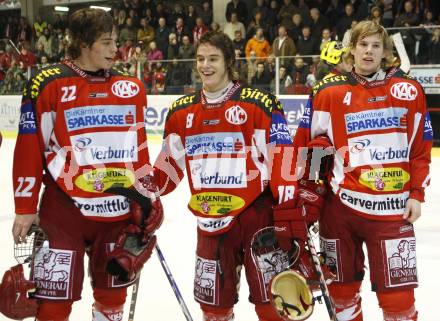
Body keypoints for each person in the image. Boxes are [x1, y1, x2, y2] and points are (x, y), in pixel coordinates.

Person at [10, 8, 163, 321]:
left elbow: (138, 150)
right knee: (52, 304)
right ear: (82, 42)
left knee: (112, 298)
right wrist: (25, 207)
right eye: (106, 42)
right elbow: (29, 145)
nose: (114, 49)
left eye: (115, 42)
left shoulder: (131, 89)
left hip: (118, 211)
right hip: (64, 210)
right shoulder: (47, 84)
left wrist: (148, 195)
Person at [153, 31, 303, 321]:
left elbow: (283, 160)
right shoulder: (181, 112)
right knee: (214, 309)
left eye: (213, 59)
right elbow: (168, 168)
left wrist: (289, 209)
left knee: (272, 303)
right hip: (209, 220)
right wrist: (141, 192)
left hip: (257, 216)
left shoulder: (258, 104)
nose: (205, 66)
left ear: (229, 62)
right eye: (200, 59)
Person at [293, 20, 432, 321]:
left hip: (393, 211)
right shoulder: (327, 92)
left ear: (384, 52)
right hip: (340, 212)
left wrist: (417, 193)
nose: (368, 52)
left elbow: (420, 149)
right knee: (342, 297)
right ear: (352, 50)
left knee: (400, 303)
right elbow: (309, 148)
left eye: (375, 46)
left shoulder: (408, 90)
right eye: (362, 45)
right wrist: (310, 190)